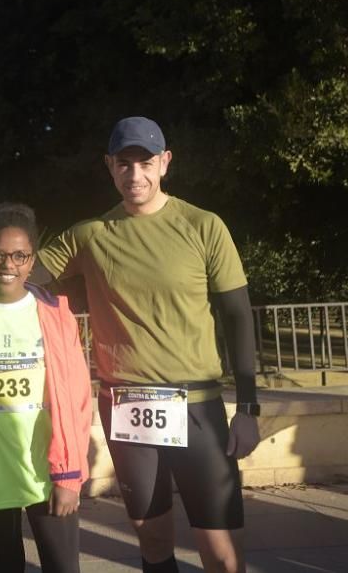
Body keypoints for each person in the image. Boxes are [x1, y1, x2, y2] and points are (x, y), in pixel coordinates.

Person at [34, 117, 261, 573]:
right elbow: (18, 278)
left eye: (146, 162)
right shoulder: (90, 235)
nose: (135, 174)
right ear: (109, 167)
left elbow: (237, 316)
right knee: (153, 541)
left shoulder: (204, 226)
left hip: (199, 408)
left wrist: (249, 408)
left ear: (165, 163)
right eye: (124, 163)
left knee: (221, 553)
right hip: (127, 409)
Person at [0, 203, 92, 573]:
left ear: (32, 260)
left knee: (63, 567)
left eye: (19, 255)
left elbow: (77, 399)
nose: (8, 264)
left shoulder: (57, 316)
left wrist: (70, 475)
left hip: (46, 471)